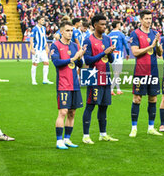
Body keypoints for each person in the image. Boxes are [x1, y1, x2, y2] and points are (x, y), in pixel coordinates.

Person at [82, 14, 118, 144]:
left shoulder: (107, 39)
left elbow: (111, 60)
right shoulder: (88, 40)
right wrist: (104, 52)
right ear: (94, 25)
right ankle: (86, 136)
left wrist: (111, 52)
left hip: (105, 75)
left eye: (105, 24)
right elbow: (87, 60)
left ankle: (103, 134)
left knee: (104, 106)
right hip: (92, 75)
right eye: (102, 24)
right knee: (90, 106)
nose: (104, 26)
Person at [50, 21, 87, 149]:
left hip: (75, 84)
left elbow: (80, 65)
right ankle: (59, 140)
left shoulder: (75, 46)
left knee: (72, 113)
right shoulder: (55, 45)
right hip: (63, 84)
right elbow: (56, 62)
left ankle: (67, 139)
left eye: (71, 31)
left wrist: (80, 57)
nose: (70, 33)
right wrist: (73, 58)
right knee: (63, 112)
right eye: (67, 30)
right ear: (61, 32)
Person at [129, 10, 163, 138]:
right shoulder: (135, 33)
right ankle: (134, 128)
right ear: (141, 20)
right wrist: (151, 46)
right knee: (137, 99)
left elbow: (159, 54)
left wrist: (157, 45)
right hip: (140, 72)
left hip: (153, 72)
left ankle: (151, 127)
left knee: (153, 98)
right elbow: (135, 52)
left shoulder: (155, 34)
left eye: (150, 18)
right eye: (146, 18)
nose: (149, 21)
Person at [108, 20, 130, 95]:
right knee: (117, 73)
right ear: (117, 25)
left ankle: (118, 89)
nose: (120, 25)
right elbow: (126, 46)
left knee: (115, 73)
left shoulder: (109, 35)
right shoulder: (121, 34)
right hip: (119, 55)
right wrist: (128, 54)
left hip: (111, 55)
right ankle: (110, 89)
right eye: (120, 24)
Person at [30, 15, 53, 85]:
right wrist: (32, 49)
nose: (43, 21)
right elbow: (31, 39)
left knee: (46, 62)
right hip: (37, 49)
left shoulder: (43, 28)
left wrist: (47, 47)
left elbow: (44, 38)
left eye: (44, 20)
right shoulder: (35, 29)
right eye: (42, 20)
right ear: (39, 20)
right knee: (35, 64)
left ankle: (45, 79)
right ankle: (33, 80)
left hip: (42, 49)